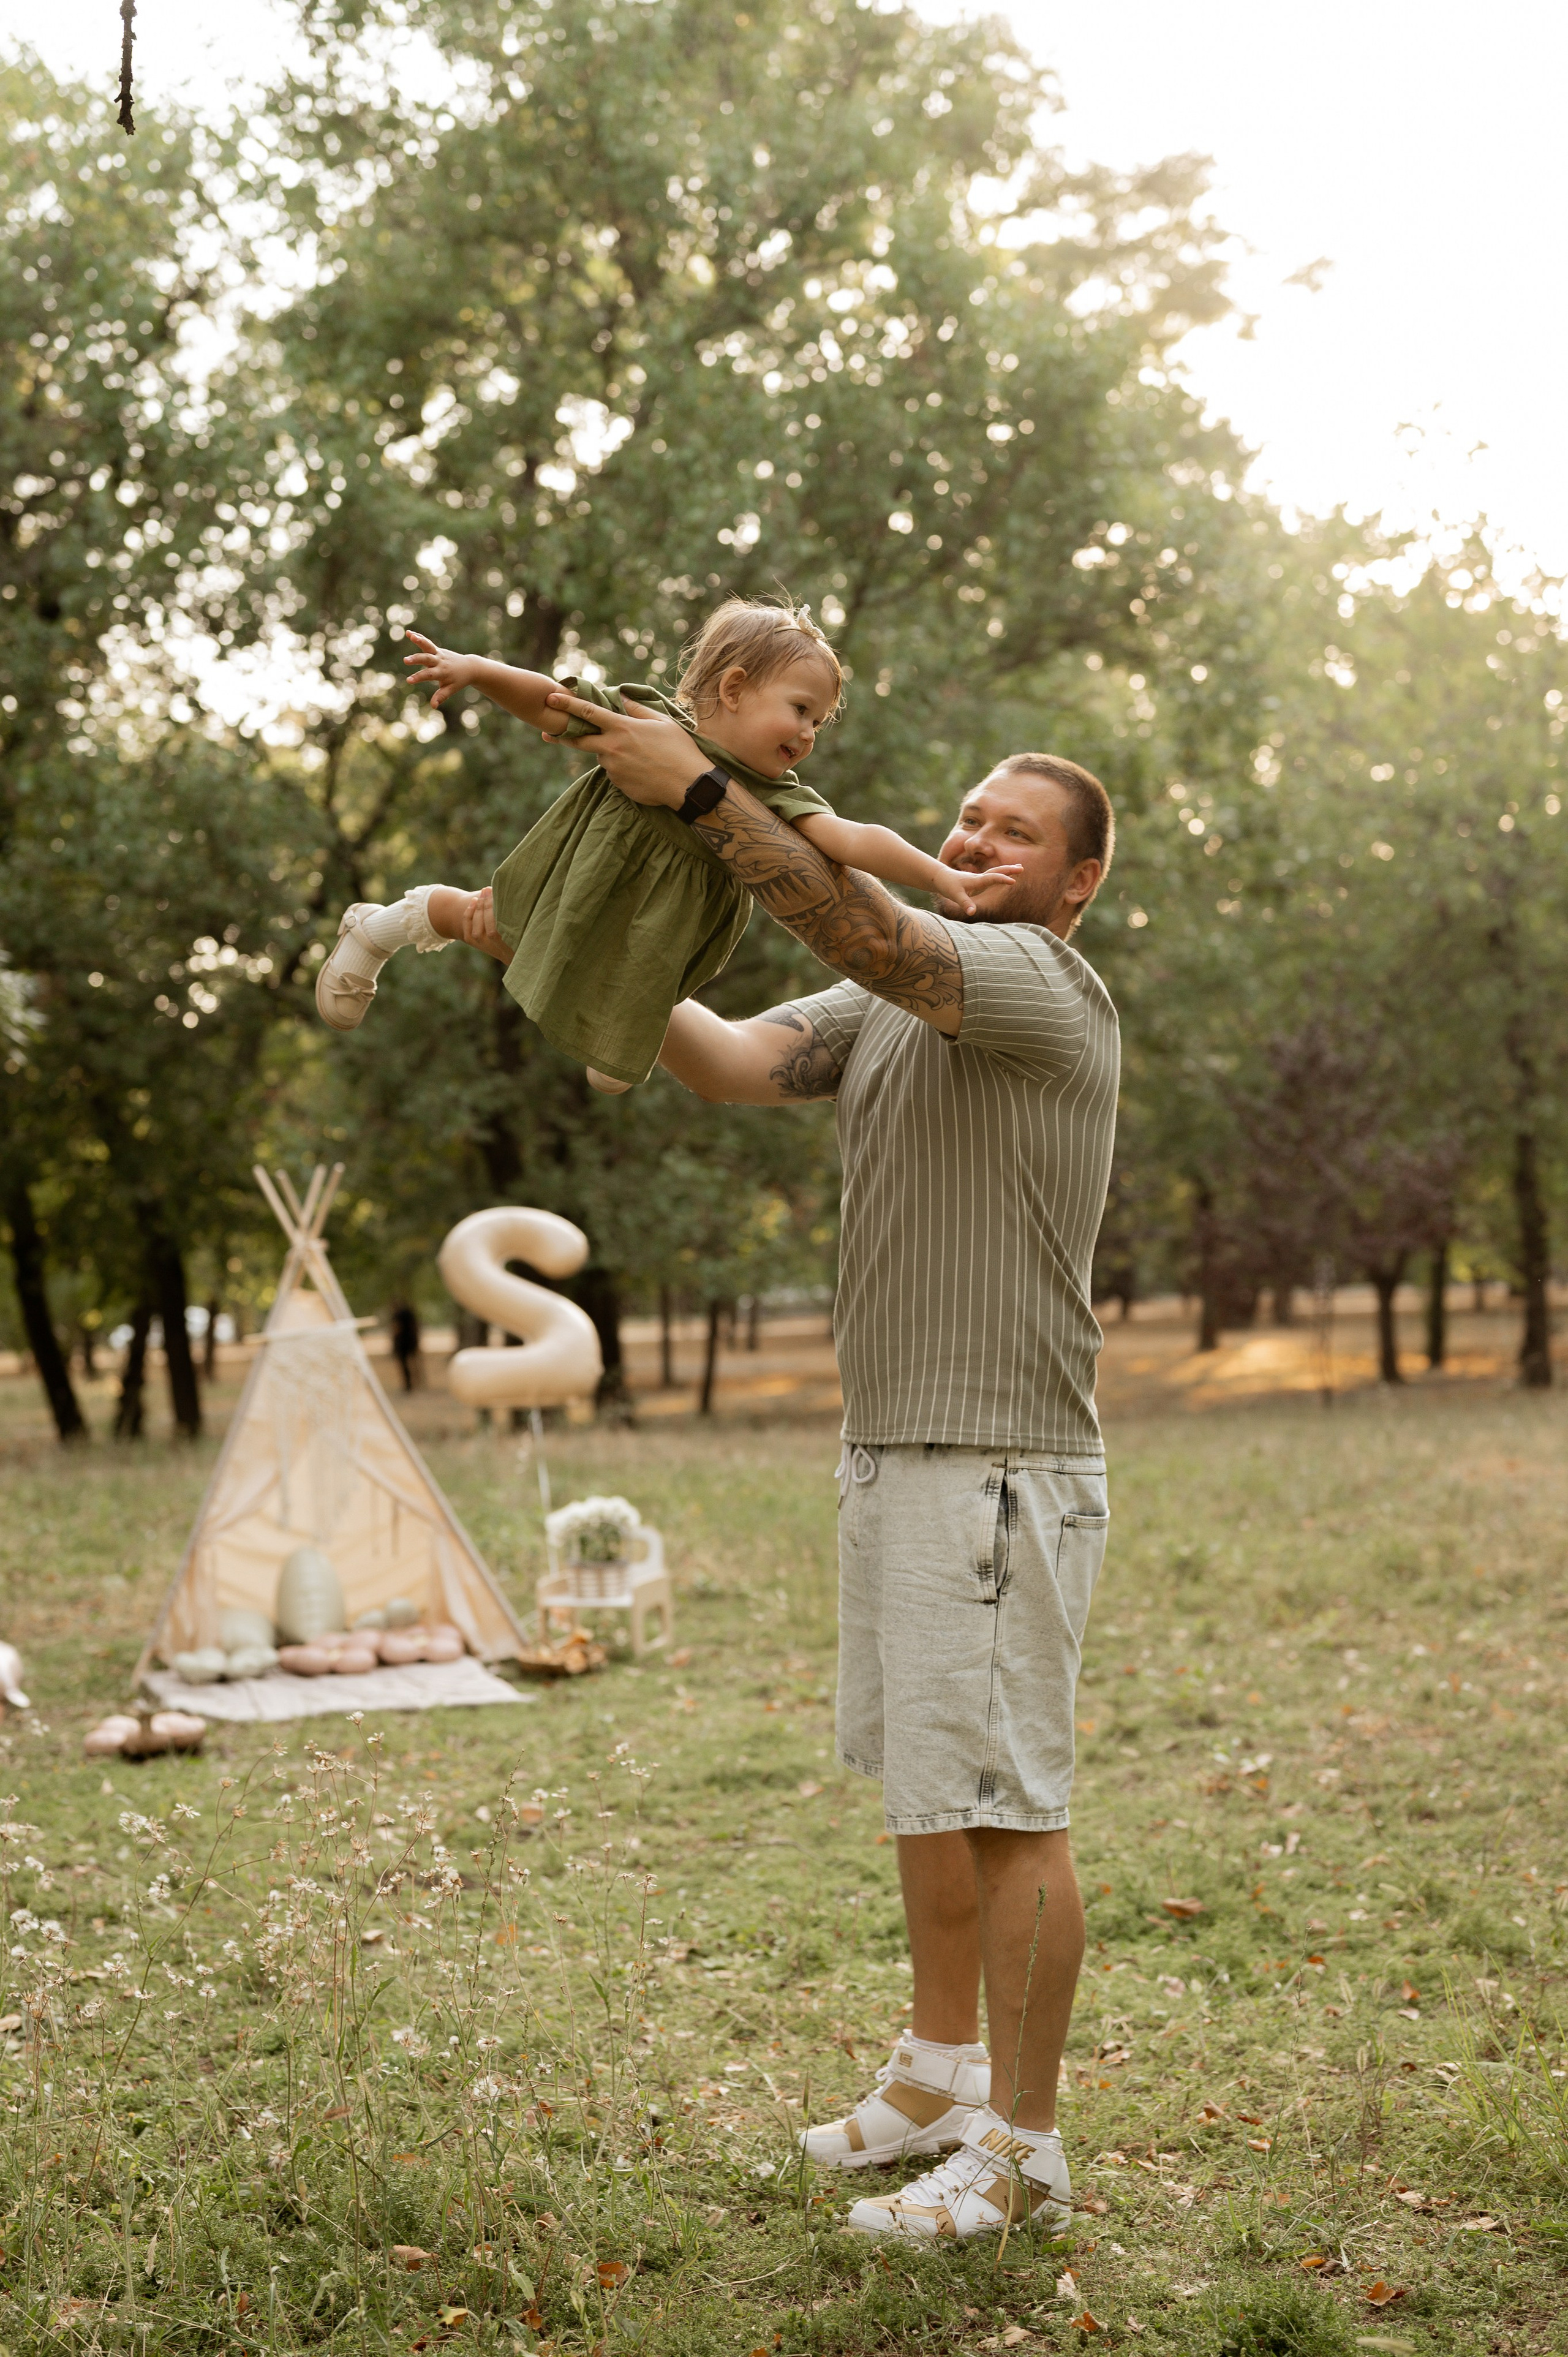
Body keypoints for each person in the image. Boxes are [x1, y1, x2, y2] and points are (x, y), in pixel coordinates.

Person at [540, 678, 1118, 2246]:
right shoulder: (892, 1009)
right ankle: (935, 2074)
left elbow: (860, 929)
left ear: (1074, 882)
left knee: (1005, 1800)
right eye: (968, 817)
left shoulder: (1028, 981)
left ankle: (1024, 2144)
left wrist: (696, 796)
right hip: (895, 1454)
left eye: (1017, 831)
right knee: (930, 1790)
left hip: (998, 1460)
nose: (975, 838)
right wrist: (563, 929)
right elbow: (726, 1059)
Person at [314, 599, 1020, 1090]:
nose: (808, 734)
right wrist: (478, 670)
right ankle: (386, 925)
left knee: (637, 1001)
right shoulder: (644, 722)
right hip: (583, 877)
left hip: (660, 926)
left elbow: (853, 839)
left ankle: (614, 1034)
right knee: (494, 922)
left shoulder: (773, 791)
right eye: (801, 710)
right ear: (735, 687)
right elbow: (553, 702)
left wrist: (937, 876)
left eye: (820, 722)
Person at [389, 1300, 422, 1393]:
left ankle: (409, 1385)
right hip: (411, 1343)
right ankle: (416, 1382)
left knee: (405, 1365)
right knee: (413, 1363)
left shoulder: (398, 1316)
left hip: (403, 1344)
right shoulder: (409, 1315)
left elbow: (396, 1329)